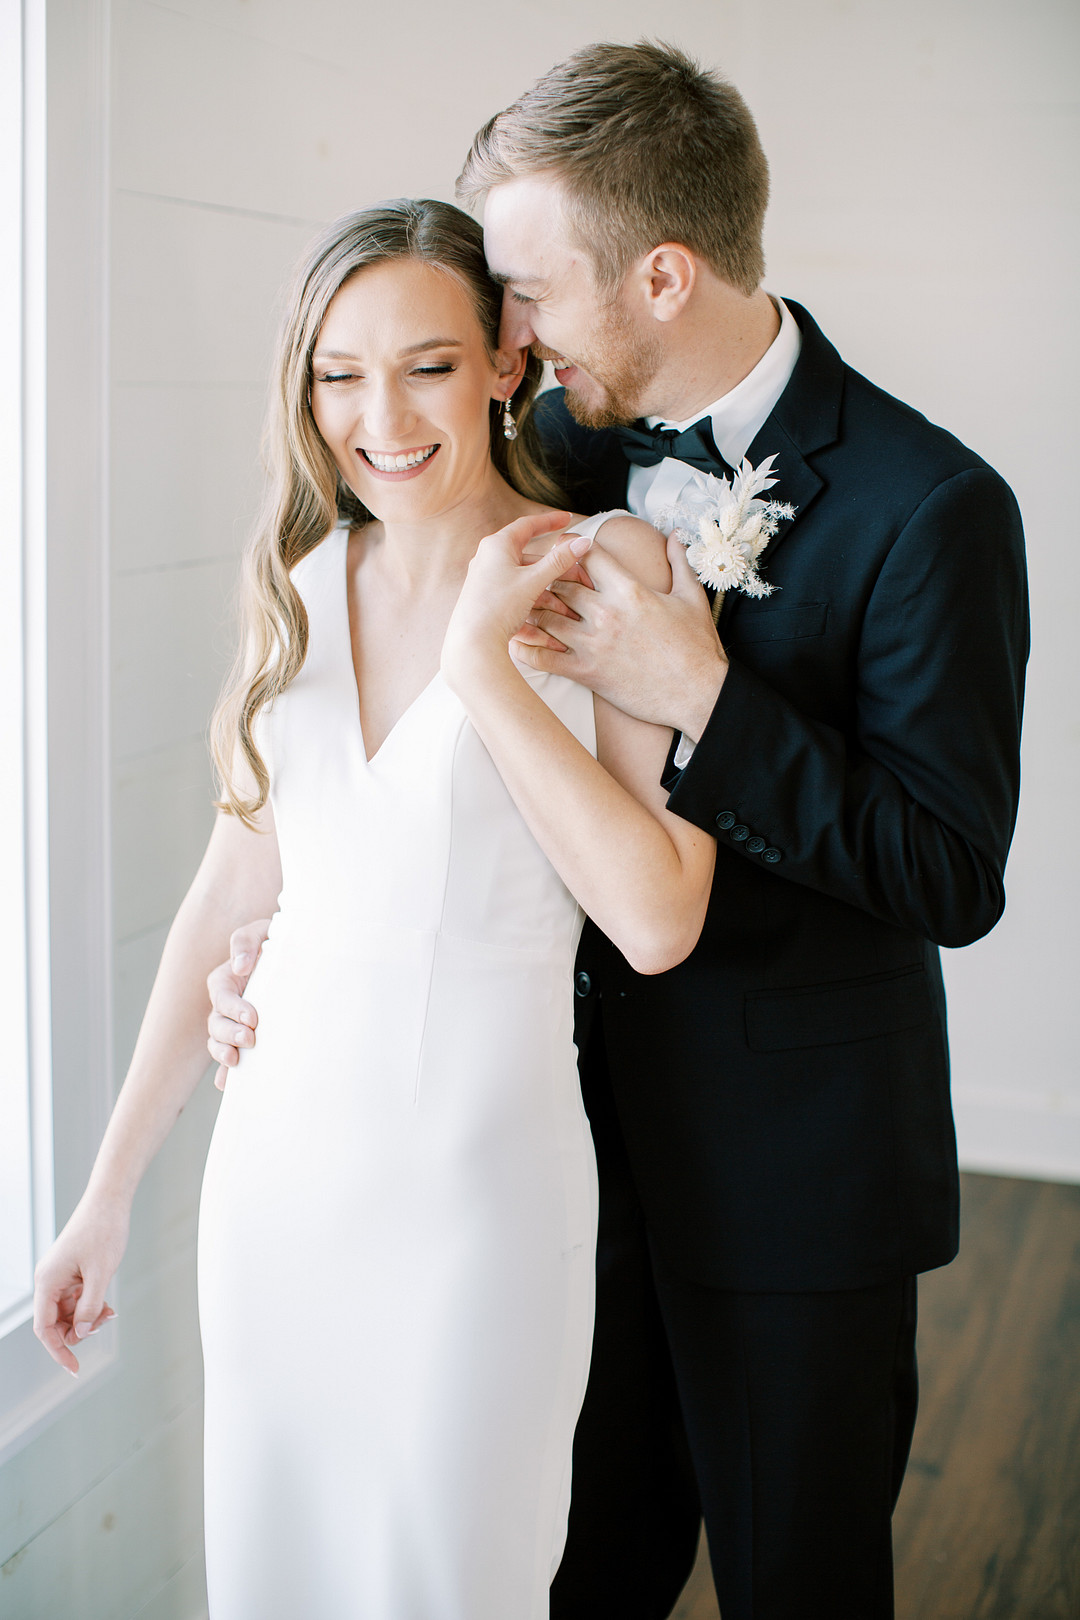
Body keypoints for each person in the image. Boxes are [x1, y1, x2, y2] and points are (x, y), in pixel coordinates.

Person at [207, 41, 1030, 1620]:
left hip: (793, 1176)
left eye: (526, 291)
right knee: (573, 1579)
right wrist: (287, 946)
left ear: (662, 274)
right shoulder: (565, 447)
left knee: (799, 1583)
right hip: (546, 1161)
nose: (507, 338)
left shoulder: (932, 508)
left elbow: (949, 870)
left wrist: (706, 697)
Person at [32, 198, 716, 1620]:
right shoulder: (295, 589)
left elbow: (654, 921)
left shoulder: (609, 571)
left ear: (505, 364)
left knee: (455, 1578)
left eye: (427, 366)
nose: (380, 418)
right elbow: (229, 893)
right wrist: (104, 1199)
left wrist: (484, 667)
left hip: (482, 1200)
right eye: (339, 374)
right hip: (277, 1192)